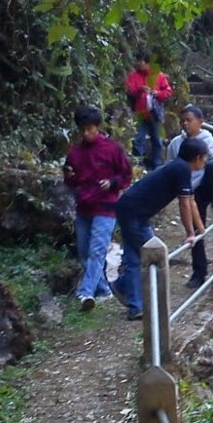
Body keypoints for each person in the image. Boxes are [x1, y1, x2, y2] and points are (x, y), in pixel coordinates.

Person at [112, 138, 209, 321]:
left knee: (135, 257)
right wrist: (190, 233)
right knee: (155, 255)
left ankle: (129, 297)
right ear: (196, 158)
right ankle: (145, 303)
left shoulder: (179, 167)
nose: (205, 162)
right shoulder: (181, 169)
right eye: (204, 158)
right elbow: (183, 204)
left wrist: (201, 228)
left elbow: (191, 201)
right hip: (134, 213)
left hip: (130, 209)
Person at [62, 105, 133, 311]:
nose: (86, 133)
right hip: (83, 206)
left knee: (97, 251)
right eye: (83, 129)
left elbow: (126, 175)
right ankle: (104, 290)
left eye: (90, 128)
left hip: (106, 207)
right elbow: (70, 180)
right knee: (84, 252)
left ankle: (85, 293)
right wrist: (69, 175)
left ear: (97, 127)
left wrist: (112, 183)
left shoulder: (112, 149)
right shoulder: (75, 152)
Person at [166, 104, 213, 289]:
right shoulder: (176, 144)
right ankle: (199, 272)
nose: (185, 124)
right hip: (188, 190)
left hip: (207, 186)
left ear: (200, 122)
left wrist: (207, 155)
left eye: (189, 120)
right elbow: (170, 165)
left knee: (212, 166)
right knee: (195, 232)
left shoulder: (211, 142)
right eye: (183, 121)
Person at [124, 52, 173, 170]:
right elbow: (129, 91)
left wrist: (158, 93)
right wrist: (140, 90)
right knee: (138, 140)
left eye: (142, 61)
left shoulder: (160, 76)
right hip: (140, 113)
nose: (139, 63)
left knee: (157, 140)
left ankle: (157, 166)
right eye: (138, 61)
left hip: (155, 113)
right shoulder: (134, 76)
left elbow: (168, 92)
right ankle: (138, 166)